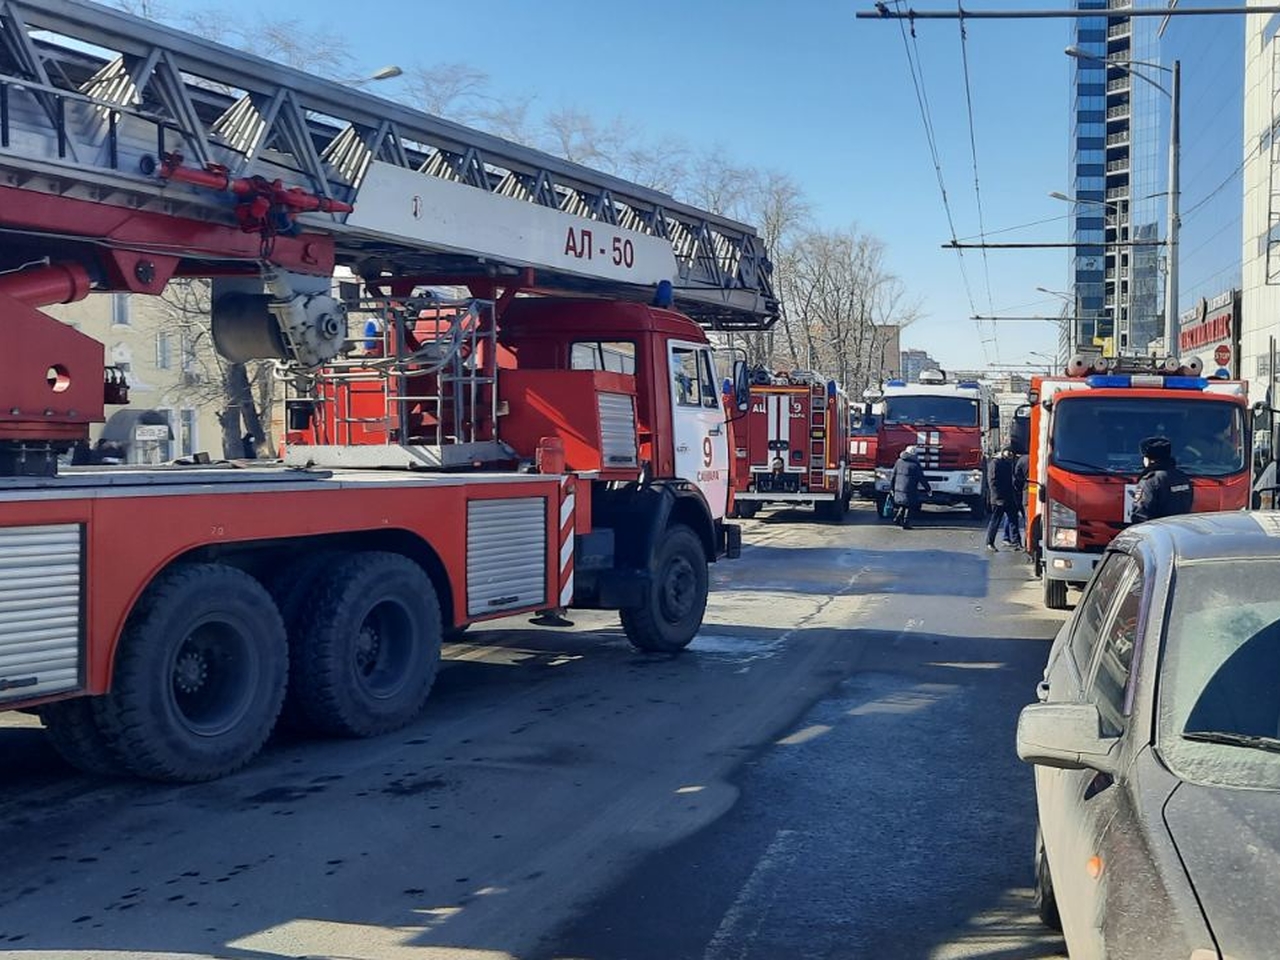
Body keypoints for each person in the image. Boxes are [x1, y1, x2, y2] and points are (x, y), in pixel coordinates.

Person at [1131, 436, 1194, 523]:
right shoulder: (1182, 477)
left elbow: (1141, 513)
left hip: (1157, 531)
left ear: (1149, 459)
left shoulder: (1150, 480)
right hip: (1179, 529)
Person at [985, 446, 1019, 552]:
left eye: (1011, 453)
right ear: (1003, 452)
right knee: (995, 521)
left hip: (1009, 497)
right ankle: (989, 542)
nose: (1010, 454)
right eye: (1008, 452)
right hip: (998, 499)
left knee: (1013, 518)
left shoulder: (1010, 463)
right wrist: (997, 498)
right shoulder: (995, 463)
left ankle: (1016, 542)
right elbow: (992, 482)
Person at [888, 445, 930, 530]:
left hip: (898, 487)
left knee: (903, 503)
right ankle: (905, 523)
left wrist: (892, 487)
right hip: (910, 488)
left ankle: (897, 518)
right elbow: (921, 478)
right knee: (909, 505)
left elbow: (893, 475)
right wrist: (928, 489)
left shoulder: (899, 461)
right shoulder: (915, 465)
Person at [1004, 450, 1029, 546]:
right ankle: (1025, 541)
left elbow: (1016, 479)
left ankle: (1011, 538)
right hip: (1030, 492)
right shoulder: (1033, 459)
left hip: (1020, 493)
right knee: (1025, 518)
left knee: (1012, 516)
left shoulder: (1021, 461)